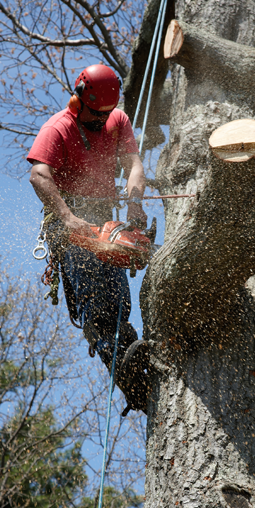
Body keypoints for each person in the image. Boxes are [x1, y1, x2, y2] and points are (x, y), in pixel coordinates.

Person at [27, 64, 149, 414]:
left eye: (107, 114)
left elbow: (134, 165)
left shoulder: (118, 120)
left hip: (104, 216)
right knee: (96, 304)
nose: (103, 121)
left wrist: (135, 203)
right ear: (79, 101)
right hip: (68, 221)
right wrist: (67, 216)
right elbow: (38, 175)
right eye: (97, 114)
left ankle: (128, 354)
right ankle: (125, 376)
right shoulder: (59, 127)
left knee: (119, 299)